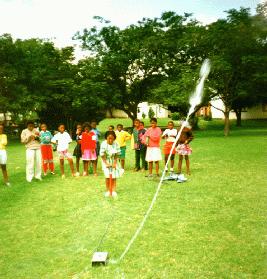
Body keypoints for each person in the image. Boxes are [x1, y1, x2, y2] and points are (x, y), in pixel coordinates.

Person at [100, 131, 122, 197]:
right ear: (106, 138)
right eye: (109, 138)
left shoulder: (116, 143)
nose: (110, 140)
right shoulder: (103, 144)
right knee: (107, 176)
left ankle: (114, 190)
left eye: (112, 138)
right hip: (105, 161)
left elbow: (117, 154)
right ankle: (108, 190)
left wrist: (115, 163)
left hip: (113, 160)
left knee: (114, 176)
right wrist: (106, 164)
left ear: (114, 138)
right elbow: (102, 155)